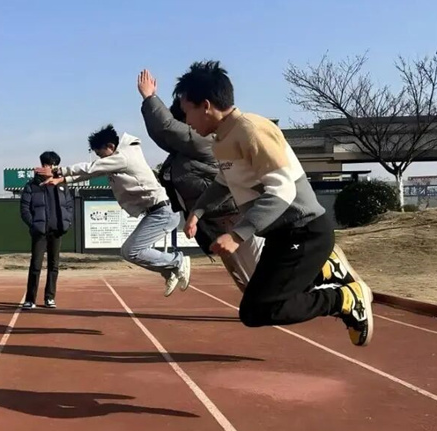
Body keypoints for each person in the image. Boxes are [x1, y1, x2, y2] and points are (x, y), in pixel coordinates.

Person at [177, 61, 374, 346]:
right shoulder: (223, 139)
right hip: (281, 236)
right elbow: (224, 181)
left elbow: (282, 189)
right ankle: (325, 270)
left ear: (206, 106)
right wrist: (198, 211)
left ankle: (344, 298)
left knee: (261, 310)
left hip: (304, 231)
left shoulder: (252, 130)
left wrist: (237, 235)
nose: (187, 121)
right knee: (255, 308)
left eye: (187, 112)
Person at [137, 68, 263, 293]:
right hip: (212, 223)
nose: (189, 122)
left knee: (262, 275)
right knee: (244, 279)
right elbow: (163, 134)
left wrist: (150, 98)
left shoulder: (204, 142)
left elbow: (167, 128)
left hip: (232, 219)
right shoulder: (182, 151)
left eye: (189, 114)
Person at [43, 124, 191, 296]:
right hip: (156, 212)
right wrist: (63, 180)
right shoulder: (116, 158)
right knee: (129, 251)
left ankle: (178, 261)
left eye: (100, 155)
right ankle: (169, 270)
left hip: (163, 212)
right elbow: (91, 173)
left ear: (110, 146)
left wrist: (58, 170)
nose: (100, 159)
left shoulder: (124, 157)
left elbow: (91, 168)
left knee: (131, 250)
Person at [20, 151, 74, 310]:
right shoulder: (32, 185)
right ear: (43, 165)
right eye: (50, 164)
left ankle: (49, 297)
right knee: (35, 265)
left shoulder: (61, 185)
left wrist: (66, 223)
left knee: (54, 266)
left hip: (56, 231)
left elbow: (69, 206)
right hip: (40, 232)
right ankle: (30, 299)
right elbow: (24, 208)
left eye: (54, 165)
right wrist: (34, 225)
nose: (52, 167)